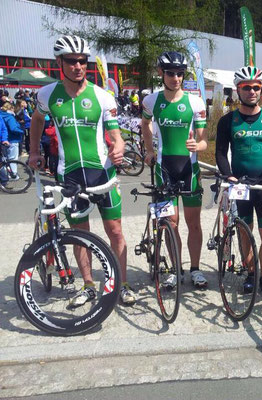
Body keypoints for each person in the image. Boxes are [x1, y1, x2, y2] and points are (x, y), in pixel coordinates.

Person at [28, 35, 135, 305]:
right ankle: (88, 284)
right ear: (59, 62)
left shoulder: (102, 96)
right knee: (80, 235)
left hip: (103, 174)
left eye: (82, 61)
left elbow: (115, 133)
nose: (78, 66)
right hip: (69, 175)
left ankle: (121, 283)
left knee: (116, 231)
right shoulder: (47, 94)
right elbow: (37, 120)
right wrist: (34, 151)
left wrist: (119, 146)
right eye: (72, 61)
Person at [216, 65, 262, 297]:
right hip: (240, 186)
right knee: (245, 233)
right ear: (238, 90)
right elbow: (220, 153)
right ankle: (250, 273)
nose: (252, 91)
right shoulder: (228, 121)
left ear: (261, 91)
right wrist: (229, 176)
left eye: (256, 87)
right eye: (247, 87)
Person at [142, 51, 209, 289]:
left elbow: (204, 141)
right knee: (170, 223)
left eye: (180, 74)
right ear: (161, 73)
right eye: (170, 73)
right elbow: (145, 123)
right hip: (164, 169)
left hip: (189, 170)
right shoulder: (151, 101)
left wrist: (196, 145)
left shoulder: (195, 102)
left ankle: (195, 269)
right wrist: (149, 149)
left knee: (194, 223)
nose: (176, 78)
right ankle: (174, 268)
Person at [0, 102, 24, 178]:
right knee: (13, 158)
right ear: (11, 108)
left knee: (4, 159)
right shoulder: (10, 117)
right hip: (12, 139)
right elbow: (13, 128)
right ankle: (13, 175)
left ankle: (5, 176)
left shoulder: (1, 115)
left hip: (4, 139)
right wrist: (21, 131)